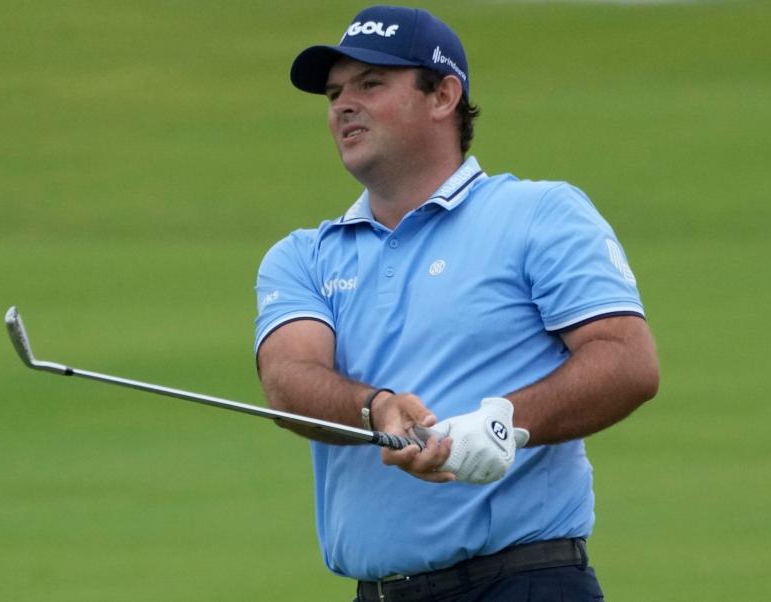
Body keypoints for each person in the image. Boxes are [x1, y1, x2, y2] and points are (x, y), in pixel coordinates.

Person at [254, 5, 659, 601]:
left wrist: (503, 425)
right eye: (335, 92)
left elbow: (628, 360)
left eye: (371, 84)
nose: (343, 105)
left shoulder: (537, 214)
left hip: (524, 583)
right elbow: (289, 378)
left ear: (443, 95)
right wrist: (377, 410)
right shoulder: (303, 256)